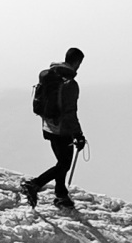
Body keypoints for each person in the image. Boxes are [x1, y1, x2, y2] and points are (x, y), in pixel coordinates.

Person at [23, 47, 85, 210]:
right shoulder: (70, 84)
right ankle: (35, 184)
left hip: (48, 125)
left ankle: (61, 194)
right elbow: (70, 112)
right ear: (77, 62)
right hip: (62, 129)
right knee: (64, 164)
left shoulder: (52, 75)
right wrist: (78, 135)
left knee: (61, 162)